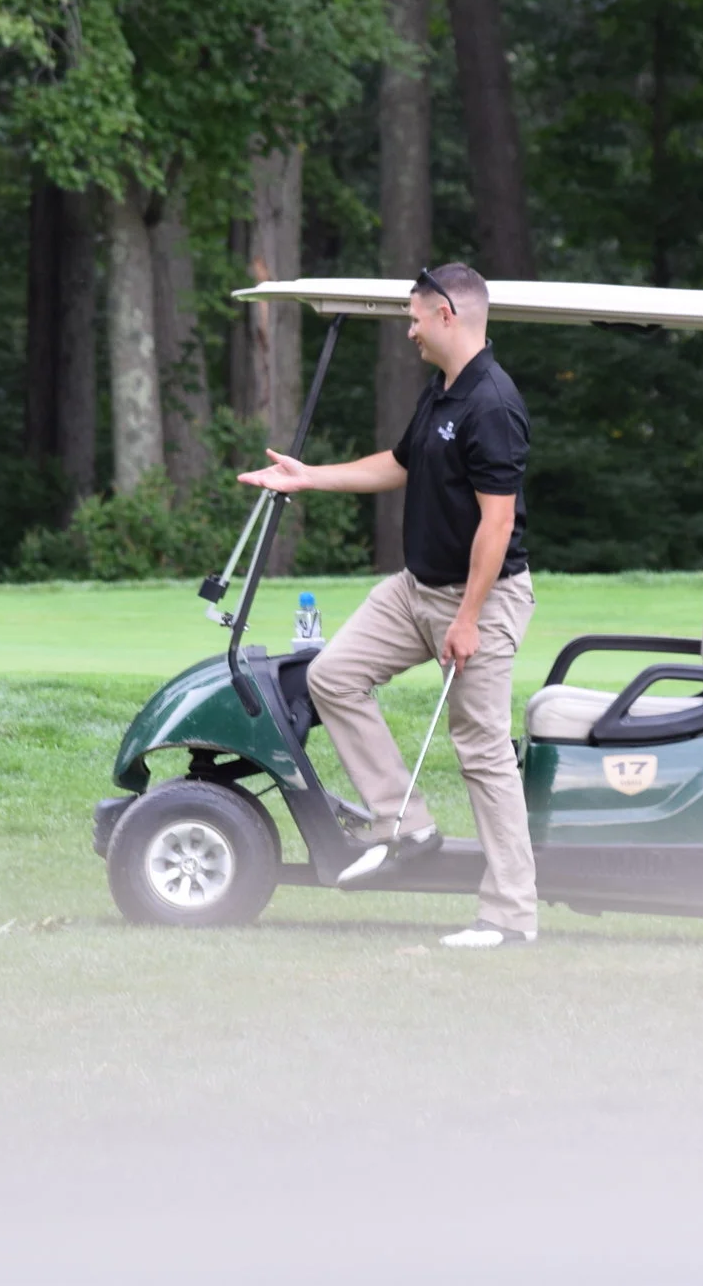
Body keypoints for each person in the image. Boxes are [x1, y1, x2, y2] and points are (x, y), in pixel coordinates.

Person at [238, 263, 538, 949]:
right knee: (333, 674)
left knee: (482, 749)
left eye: (414, 317)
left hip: (479, 599)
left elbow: (497, 525)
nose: (408, 330)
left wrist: (468, 619)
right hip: (416, 589)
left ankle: (511, 916)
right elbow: (400, 463)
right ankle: (405, 824)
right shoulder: (444, 392)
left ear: (447, 316)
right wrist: (308, 477)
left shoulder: (493, 404)